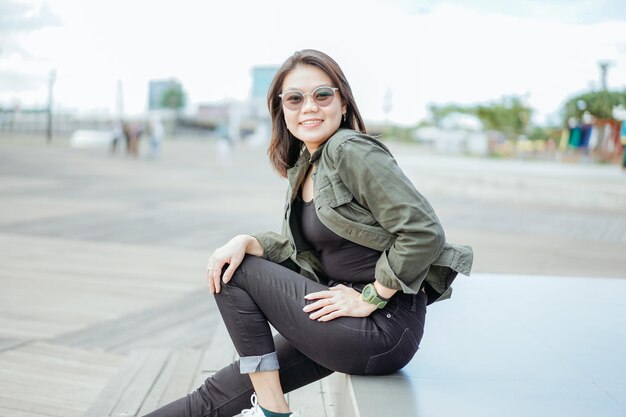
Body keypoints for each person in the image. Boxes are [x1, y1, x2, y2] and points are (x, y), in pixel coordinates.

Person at [144, 49, 473, 417]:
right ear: (282, 110)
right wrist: (247, 240)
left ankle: (272, 411)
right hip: (340, 320)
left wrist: (372, 296)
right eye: (295, 99)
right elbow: (303, 249)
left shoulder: (350, 150)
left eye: (322, 95)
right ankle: (270, 407)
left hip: (382, 327)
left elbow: (423, 231)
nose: (309, 107)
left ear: (343, 103)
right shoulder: (306, 166)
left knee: (232, 271)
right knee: (214, 397)